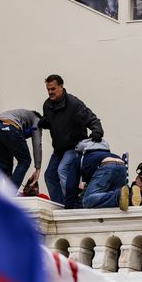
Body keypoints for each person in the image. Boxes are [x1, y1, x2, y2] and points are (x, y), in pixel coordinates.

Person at [40, 74, 104, 208]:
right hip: (58, 149)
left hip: (74, 146)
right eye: (48, 89)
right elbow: (51, 120)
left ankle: (73, 204)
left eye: (53, 89)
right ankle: (59, 205)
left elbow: (91, 118)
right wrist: (45, 122)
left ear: (61, 87)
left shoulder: (74, 104)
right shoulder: (47, 105)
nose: (50, 92)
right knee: (49, 175)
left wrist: (97, 131)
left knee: (62, 170)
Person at [0, 109, 42, 189]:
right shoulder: (37, 119)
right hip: (8, 127)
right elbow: (37, 143)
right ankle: (11, 192)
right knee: (25, 160)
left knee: (4, 163)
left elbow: (14, 140)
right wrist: (38, 167)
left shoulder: (20, 115)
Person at [77, 139, 136, 211]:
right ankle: (130, 197)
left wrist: (68, 207)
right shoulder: (105, 153)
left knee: (87, 200)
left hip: (107, 165)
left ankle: (118, 195)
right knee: (120, 201)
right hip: (121, 165)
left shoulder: (84, 156)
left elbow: (71, 185)